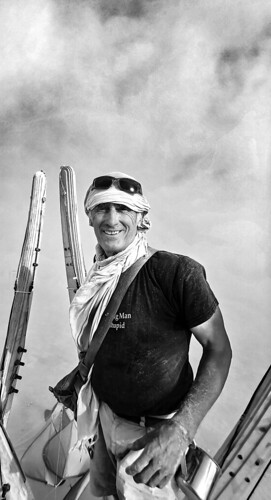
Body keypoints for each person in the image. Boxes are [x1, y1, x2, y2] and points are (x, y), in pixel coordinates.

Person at [68, 172, 232, 499]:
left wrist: (182, 429)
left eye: (123, 209)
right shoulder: (97, 277)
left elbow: (219, 349)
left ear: (141, 217)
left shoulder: (176, 274)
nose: (111, 219)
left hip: (153, 438)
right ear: (89, 217)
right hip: (106, 421)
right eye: (102, 209)